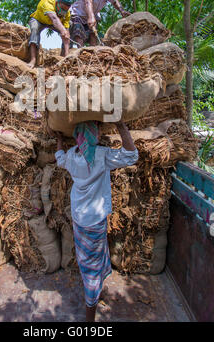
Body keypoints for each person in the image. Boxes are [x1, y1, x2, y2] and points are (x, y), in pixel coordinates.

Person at [49, 120, 138, 322]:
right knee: (92, 265)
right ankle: (90, 312)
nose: (99, 136)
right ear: (92, 136)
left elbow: (59, 158)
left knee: (88, 257)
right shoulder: (101, 155)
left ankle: (97, 291)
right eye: (96, 133)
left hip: (79, 217)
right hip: (95, 220)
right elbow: (131, 155)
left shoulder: (72, 155)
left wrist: (59, 141)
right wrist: (121, 127)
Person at [27, 0, 75, 68]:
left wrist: (67, 55)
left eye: (66, 10)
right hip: (39, 20)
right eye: (62, 9)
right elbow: (54, 18)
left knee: (70, 26)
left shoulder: (67, 13)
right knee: (34, 28)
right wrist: (63, 30)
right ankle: (33, 60)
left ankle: (63, 58)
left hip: (54, 23)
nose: (64, 12)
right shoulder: (47, 2)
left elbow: (66, 32)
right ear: (57, 2)